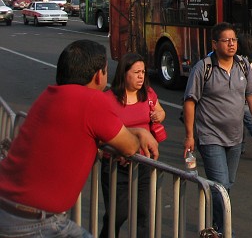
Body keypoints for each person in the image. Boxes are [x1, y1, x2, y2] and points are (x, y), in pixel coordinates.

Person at [0, 40, 158, 238]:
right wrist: (141, 133)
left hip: (7, 207)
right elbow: (129, 147)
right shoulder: (92, 101)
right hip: (36, 223)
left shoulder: (49, 95)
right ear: (98, 75)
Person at [183, 23, 252, 235]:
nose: (231, 44)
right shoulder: (203, 68)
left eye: (234, 40)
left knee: (226, 186)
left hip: (236, 138)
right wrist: (190, 135)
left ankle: (215, 224)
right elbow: (190, 101)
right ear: (215, 44)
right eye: (226, 40)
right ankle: (225, 231)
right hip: (210, 137)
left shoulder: (243, 65)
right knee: (220, 186)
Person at [99, 53, 166, 238]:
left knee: (144, 214)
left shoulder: (148, 94)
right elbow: (101, 135)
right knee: (118, 214)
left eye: (143, 72)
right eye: (136, 72)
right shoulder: (107, 99)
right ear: (123, 73)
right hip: (115, 166)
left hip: (143, 163)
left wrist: (160, 115)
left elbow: (161, 111)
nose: (141, 76)